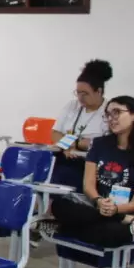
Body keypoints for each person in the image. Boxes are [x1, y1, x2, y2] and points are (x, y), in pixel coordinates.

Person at [37, 96, 134, 248]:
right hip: (98, 206)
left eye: (117, 112)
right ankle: (128, 220)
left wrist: (116, 209)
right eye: (107, 114)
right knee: (59, 206)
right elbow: (88, 185)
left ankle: (62, 227)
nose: (111, 118)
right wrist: (99, 201)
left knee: (111, 232)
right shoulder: (99, 144)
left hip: (127, 209)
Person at [50, 59, 113, 189]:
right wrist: (67, 146)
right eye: (77, 93)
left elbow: (106, 144)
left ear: (99, 91)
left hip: (90, 164)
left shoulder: (109, 111)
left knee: (62, 176)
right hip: (65, 156)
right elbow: (55, 133)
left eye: (85, 94)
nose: (80, 97)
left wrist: (76, 144)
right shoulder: (71, 106)